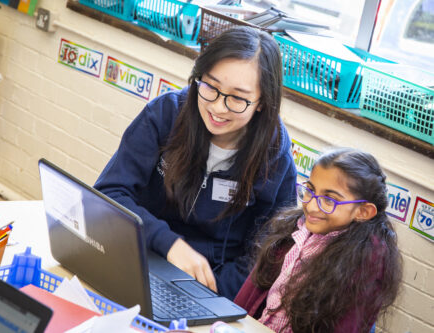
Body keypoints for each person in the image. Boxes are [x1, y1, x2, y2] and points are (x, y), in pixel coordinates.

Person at [93, 26, 297, 300]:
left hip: (211, 286)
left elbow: (267, 249)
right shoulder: (165, 115)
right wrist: (169, 244)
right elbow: (109, 193)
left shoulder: (275, 154)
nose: (218, 107)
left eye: (237, 98)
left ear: (262, 103)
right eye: (210, 86)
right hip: (138, 256)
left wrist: (210, 294)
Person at [234, 148, 402, 332]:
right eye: (311, 190)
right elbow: (245, 301)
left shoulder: (366, 261)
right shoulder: (292, 229)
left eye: (330, 200)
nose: (312, 206)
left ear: (363, 212)